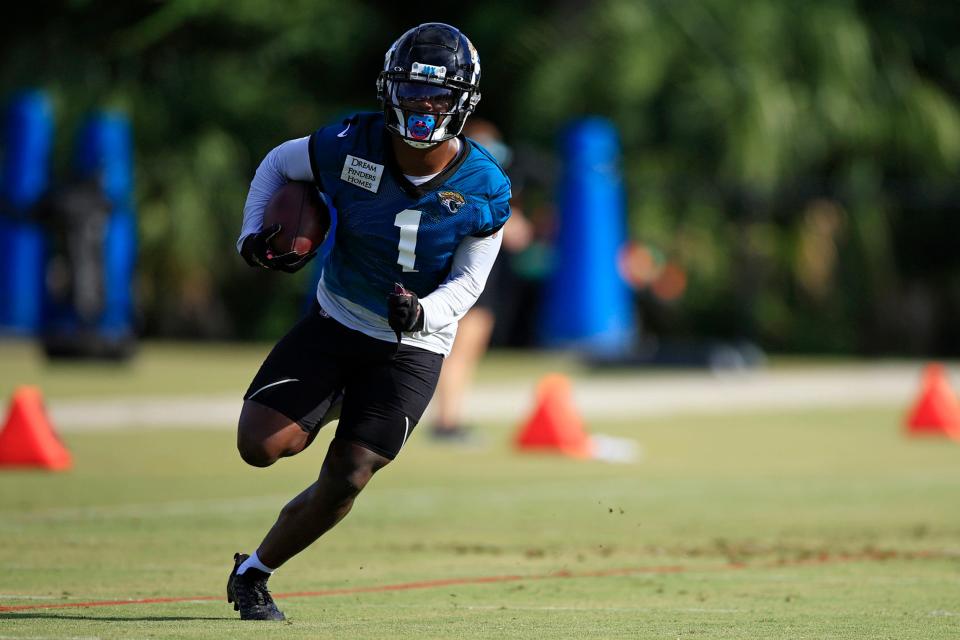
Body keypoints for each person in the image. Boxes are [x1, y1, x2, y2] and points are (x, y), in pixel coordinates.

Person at [226, 23, 510, 621]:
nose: (422, 105)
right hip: (339, 318)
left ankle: (255, 573)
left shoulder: (485, 186)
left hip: (414, 345)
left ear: (463, 101)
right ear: (389, 91)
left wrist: (423, 311)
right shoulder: (350, 141)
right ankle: (334, 398)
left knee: (349, 474)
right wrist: (252, 234)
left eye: (436, 95)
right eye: (411, 90)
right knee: (260, 446)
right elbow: (279, 163)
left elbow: (470, 281)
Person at [428, 118, 532, 442]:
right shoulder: (469, 183)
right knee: (458, 351)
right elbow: (511, 231)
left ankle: (450, 418)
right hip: (466, 282)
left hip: (474, 280)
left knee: (463, 351)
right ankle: (447, 421)